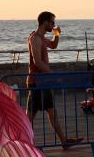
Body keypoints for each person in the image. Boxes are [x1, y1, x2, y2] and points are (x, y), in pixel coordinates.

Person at [27, 11, 82, 149]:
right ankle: (24, 145)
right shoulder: (35, 38)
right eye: (52, 22)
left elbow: (53, 45)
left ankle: (64, 142)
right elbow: (37, 62)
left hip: (43, 82)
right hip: (36, 82)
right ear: (45, 22)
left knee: (52, 113)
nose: (53, 25)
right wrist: (52, 74)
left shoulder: (41, 37)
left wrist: (56, 34)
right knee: (29, 117)